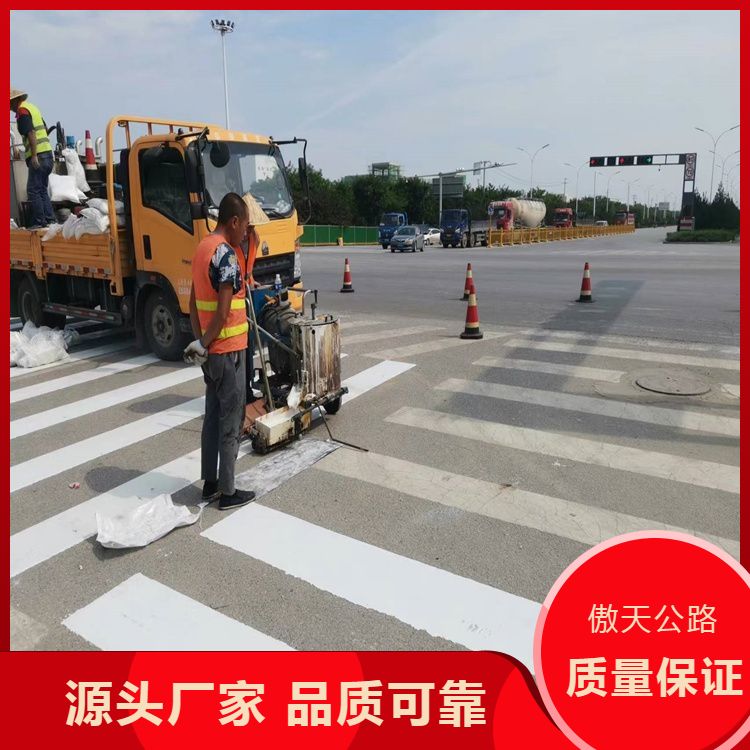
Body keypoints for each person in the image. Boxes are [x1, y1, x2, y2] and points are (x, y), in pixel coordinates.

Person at [185, 192, 256, 511]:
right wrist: (207, 342)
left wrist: (201, 343)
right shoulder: (225, 254)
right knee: (231, 419)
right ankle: (228, 492)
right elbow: (224, 310)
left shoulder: (202, 248)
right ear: (234, 221)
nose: (246, 234)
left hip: (211, 355)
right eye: (246, 227)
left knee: (212, 417)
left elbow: (192, 304)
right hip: (229, 352)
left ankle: (210, 483)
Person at [10, 88, 55, 229]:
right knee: (41, 189)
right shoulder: (33, 108)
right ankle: (50, 220)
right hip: (48, 154)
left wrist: (34, 155)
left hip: (39, 156)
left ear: (15, 101)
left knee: (33, 190)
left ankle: (40, 222)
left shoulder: (22, 111)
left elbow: (31, 133)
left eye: (9, 103)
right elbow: (44, 129)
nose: (9, 107)